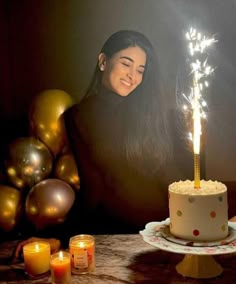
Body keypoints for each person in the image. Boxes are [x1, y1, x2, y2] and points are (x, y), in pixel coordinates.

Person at [13, 29, 193, 260]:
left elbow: (180, 178)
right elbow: (92, 189)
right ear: (103, 61)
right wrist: (60, 237)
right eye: (126, 64)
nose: (133, 76)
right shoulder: (78, 117)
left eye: (140, 70)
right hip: (113, 236)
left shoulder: (157, 114)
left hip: (168, 232)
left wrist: (205, 221)